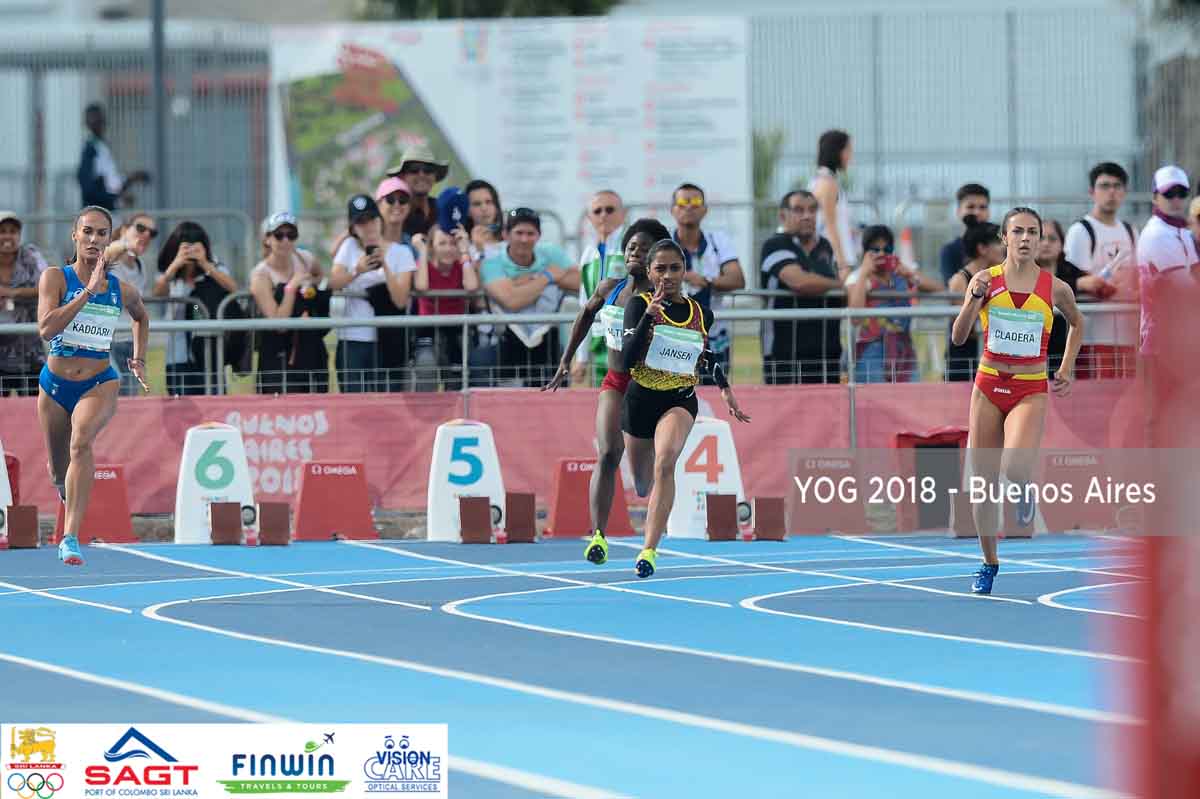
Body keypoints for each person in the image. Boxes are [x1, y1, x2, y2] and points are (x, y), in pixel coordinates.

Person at [951, 207, 1084, 595]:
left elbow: (1078, 323)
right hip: (988, 386)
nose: (1025, 239)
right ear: (1004, 239)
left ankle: (1023, 485)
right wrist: (973, 300)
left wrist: (1066, 367)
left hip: (1029, 389)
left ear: (1040, 240)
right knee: (981, 486)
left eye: (1032, 233)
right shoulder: (984, 280)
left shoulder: (1055, 288)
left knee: (1014, 467)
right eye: (1017, 232)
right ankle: (989, 562)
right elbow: (958, 337)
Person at [620, 239, 751, 578]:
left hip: (678, 399)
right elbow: (625, 359)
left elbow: (706, 354)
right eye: (660, 269)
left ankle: (649, 549)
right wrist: (648, 318)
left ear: (684, 271)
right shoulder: (638, 305)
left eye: (675, 268)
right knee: (642, 484)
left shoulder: (701, 313)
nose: (668, 276)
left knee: (666, 463)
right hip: (640, 399)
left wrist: (725, 390)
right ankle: (648, 501)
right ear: (649, 272)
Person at [542, 218, 668, 564]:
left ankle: (652, 525)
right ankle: (597, 536)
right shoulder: (610, 287)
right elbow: (584, 315)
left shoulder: (661, 298)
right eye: (631, 247)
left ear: (655, 257)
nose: (635, 253)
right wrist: (566, 359)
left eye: (643, 249)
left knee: (643, 481)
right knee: (608, 454)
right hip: (615, 382)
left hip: (647, 386)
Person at [36, 206, 150, 566]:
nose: (94, 239)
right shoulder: (55, 278)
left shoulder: (122, 290)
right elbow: (46, 329)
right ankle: (66, 487)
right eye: (87, 231)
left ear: (109, 239)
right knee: (58, 470)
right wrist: (86, 292)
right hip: (55, 386)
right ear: (75, 236)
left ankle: (70, 537)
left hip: (99, 382)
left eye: (102, 233)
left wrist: (139, 358)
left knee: (81, 440)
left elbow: (141, 316)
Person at [476, 208, 578, 387]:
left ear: (539, 236)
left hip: (547, 344)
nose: (524, 239)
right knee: (477, 362)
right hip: (505, 341)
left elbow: (580, 281)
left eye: (530, 233)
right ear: (505, 235)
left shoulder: (550, 251)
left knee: (556, 375)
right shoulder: (493, 260)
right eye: (519, 233)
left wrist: (521, 284)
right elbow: (512, 301)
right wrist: (546, 277)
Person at [1137, 166, 1200, 445]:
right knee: (1163, 415)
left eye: (1181, 192)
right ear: (1155, 197)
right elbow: (1185, 286)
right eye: (1169, 193)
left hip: (1183, 338)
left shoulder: (1182, 232)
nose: (1176, 199)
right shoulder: (1156, 234)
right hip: (1161, 342)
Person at [329, 194, 415, 393]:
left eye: (372, 220)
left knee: (387, 403)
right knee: (353, 402)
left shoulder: (401, 252)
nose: (368, 227)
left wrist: (385, 265)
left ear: (380, 220)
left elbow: (401, 300)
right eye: (361, 222)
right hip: (353, 338)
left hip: (388, 340)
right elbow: (332, 283)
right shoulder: (348, 247)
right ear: (353, 228)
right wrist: (356, 271)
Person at [759, 190, 846, 384]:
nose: (807, 216)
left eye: (812, 210)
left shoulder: (825, 246)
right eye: (799, 210)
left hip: (827, 352)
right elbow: (800, 282)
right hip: (784, 354)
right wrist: (841, 285)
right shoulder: (774, 245)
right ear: (783, 215)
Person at [1063, 162, 1138, 379]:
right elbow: (1074, 278)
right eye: (1105, 186)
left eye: (1117, 186)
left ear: (1124, 192)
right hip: (1093, 335)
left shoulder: (1131, 231)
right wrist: (1097, 284)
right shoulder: (1080, 231)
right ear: (1092, 192)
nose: (1111, 192)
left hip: (1127, 335)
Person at [846, 224, 942, 383]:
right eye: (875, 250)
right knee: (877, 398)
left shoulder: (901, 272)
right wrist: (864, 273)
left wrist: (910, 276)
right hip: (872, 351)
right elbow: (855, 317)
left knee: (912, 397)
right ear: (865, 252)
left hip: (904, 350)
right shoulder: (857, 277)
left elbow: (939, 289)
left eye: (887, 249)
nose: (881, 254)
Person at [152, 221, 238, 396]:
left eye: (195, 247)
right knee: (181, 406)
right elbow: (157, 293)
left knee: (214, 405)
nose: (190, 253)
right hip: (178, 354)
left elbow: (233, 288)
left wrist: (205, 263)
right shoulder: (169, 273)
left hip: (209, 353)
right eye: (186, 248)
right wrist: (176, 264)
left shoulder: (215, 268)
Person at [670, 183, 744, 382]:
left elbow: (737, 278)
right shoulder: (664, 242)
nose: (689, 206)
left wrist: (706, 281)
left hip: (714, 335)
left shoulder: (718, 240)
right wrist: (683, 276)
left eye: (695, 201)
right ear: (672, 210)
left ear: (705, 209)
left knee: (715, 393)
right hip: (673, 336)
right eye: (683, 202)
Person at [250, 212, 331, 394]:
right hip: (278, 357)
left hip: (310, 351)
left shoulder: (305, 258)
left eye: (291, 235)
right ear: (267, 239)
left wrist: (309, 287)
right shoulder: (260, 275)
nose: (285, 241)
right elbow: (279, 323)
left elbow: (320, 276)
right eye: (279, 235)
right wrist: (291, 287)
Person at [411, 224, 479, 391]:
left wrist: (464, 251)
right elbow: (421, 286)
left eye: (453, 243)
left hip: (456, 329)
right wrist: (422, 251)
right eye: (442, 243)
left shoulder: (461, 264)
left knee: (456, 374)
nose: (448, 249)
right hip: (428, 327)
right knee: (426, 365)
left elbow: (472, 286)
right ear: (432, 247)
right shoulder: (424, 265)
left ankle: (457, 404)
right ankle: (427, 405)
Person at [1037, 220, 1107, 376]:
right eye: (1041, 238)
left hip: (1065, 349)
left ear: (1062, 244)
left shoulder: (1071, 269)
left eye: (1052, 239)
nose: (1046, 243)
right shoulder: (1021, 270)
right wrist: (1077, 284)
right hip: (1031, 347)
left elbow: (1093, 284)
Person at [574, 190, 628, 387]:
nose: (603, 215)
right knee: (604, 400)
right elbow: (584, 305)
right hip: (599, 343)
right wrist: (581, 357)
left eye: (610, 209)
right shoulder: (588, 253)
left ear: (623, 214)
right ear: (589, 217)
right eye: (597, 211)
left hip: (628, 339)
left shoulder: (632, 247)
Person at [103, 212, 155, 395]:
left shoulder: (141, 266)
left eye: (152, 233)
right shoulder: (111, 259)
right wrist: (126, 244)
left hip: (130, 341)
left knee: (129, 399)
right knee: (111, 392)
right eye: (140, 228)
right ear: (125, 230)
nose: (146, 235)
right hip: (107, 341)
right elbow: (104, 255)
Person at [945, 216, 1003, 381]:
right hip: (965, 359)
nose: (1003, 247)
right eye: (998, 242)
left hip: (993, 357)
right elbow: (964, 326)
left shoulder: (998, 275)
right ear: (982, 248)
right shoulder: (960, 280)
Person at [0, 210, 49, 395]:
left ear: (19, 235)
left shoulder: (30, 255)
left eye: (12, 231)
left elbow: (48, 285)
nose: (7, 236)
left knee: (34, 408)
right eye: (2, 231)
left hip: (29, 352)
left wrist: (11, 293)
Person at [76, 104, 148, 210]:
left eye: (100, 121)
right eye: (95, 121)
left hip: (107, 210)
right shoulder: (90, 150)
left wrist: (130, 179)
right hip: (98, 212)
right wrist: (116, 197)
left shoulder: (101, 147)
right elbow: (90, 189)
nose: (99, 124)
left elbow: (111, 183)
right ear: (87, 124)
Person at [809, 129, 858, 273]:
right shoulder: (827, 183)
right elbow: (830, 225)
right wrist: (842, 265)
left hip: (834, 257)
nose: (850, 156)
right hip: (834, 260)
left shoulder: (826, 180)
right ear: (837, 152)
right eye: (848, 150)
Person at [386, 144, 449, 238]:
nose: (421, 175)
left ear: (434, 176)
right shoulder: (394, 212)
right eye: (414, 170)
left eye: (428, 170)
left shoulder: (443, 210)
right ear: (402, 177)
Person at [938, 184, 991, 285]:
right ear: (958, 211)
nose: (977, 212)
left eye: (982, 207)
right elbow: (952, 289)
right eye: (970, 207)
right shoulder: (950, 250)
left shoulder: (1001, 246)